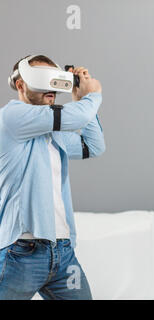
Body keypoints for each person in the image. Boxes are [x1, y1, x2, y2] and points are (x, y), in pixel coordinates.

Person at [0, 55, 104, 300]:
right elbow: (75, 116)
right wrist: (93, 94)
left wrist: (80, 98)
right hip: (21, 251)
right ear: (21, 85)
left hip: (62, 252)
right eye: (42, 79)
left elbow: (94, 145)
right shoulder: (11, 118)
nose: (51, 88)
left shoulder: (52, 132)